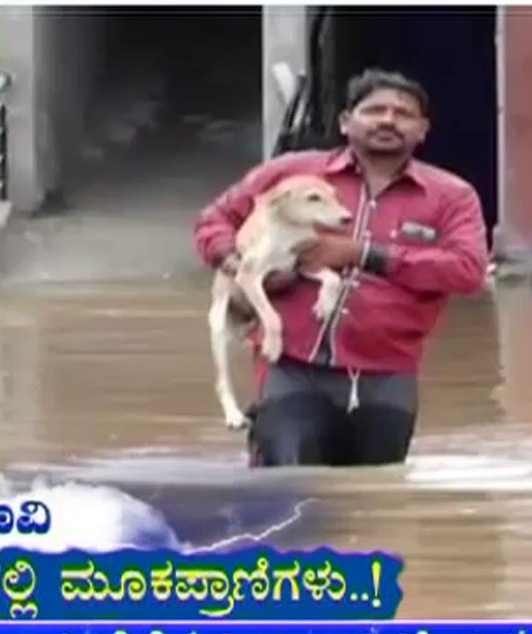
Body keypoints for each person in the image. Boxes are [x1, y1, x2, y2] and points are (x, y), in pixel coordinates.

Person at [193, 68, 489, 468]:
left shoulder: (451, 196)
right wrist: (239, 266)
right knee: (289, 483)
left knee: (377, 491)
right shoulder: (290, 174)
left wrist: (362, 254)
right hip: (291, 366)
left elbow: (467, 271)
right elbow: (213, 221)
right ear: (346, 123)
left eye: (403, 114)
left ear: (422, 130)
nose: (388, 120)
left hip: (388, 372)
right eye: (374, 110)